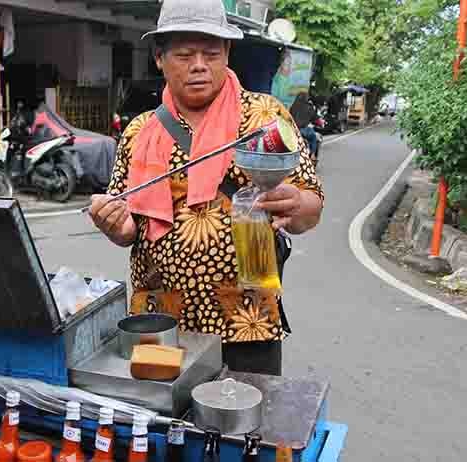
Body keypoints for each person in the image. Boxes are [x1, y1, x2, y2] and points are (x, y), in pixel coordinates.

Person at [88, 0, 323, 376]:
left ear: (227, 53)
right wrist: (116, 225)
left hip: (248, 318)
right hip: (160, 321)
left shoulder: (263, 118)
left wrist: (296, 204)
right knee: (166, 429)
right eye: (184, 54)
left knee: (244, 426)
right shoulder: (138, 133)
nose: (199, 65)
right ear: (159, 58)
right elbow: (129, 228)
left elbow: (310, 205)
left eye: (211, 53)